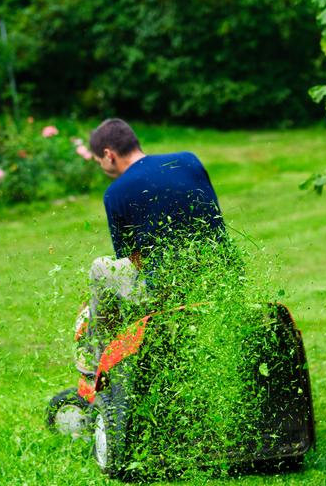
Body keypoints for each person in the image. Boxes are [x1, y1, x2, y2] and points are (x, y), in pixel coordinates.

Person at [74, 118, 224, 374]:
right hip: (220, 273)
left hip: (170, 290)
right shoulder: (188, 160)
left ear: (108, 155)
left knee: (101, 268)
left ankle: (99, 360)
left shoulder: (116, 192)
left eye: (99, 162)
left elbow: (135, 260)